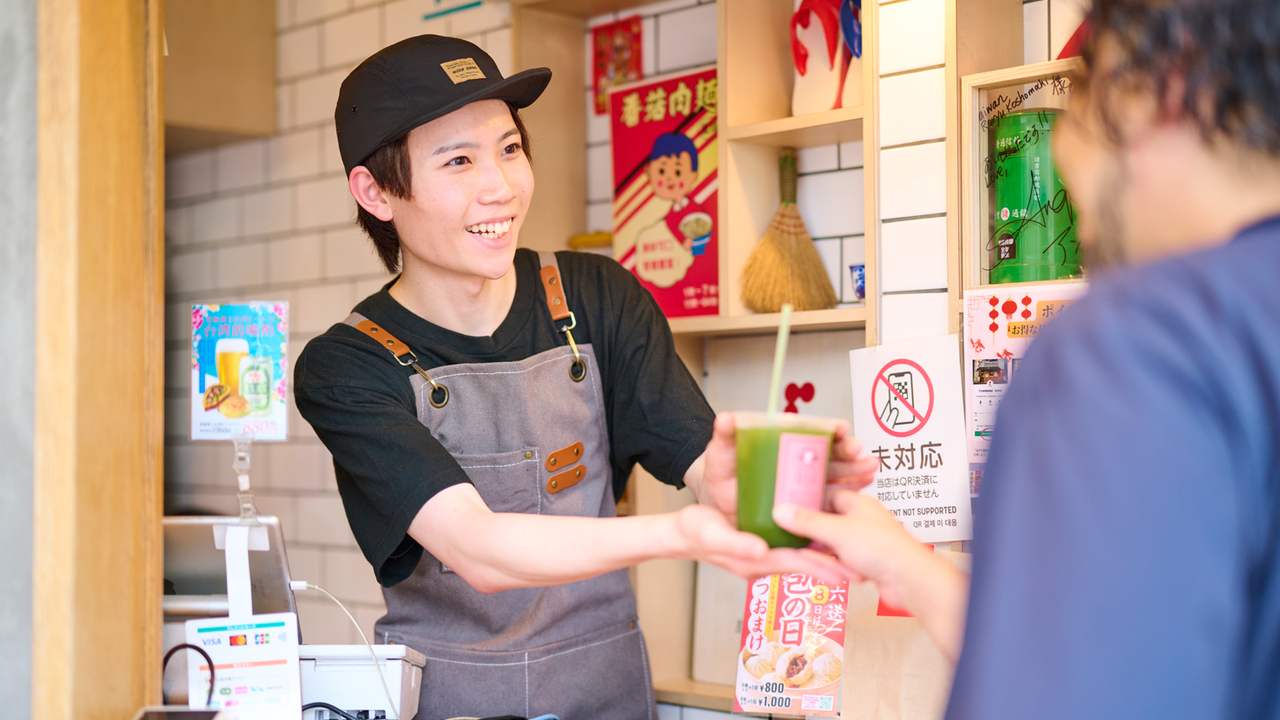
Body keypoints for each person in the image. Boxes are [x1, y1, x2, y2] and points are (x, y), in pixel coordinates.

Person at [293, 35, 877, 720]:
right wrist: (681, 535)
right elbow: (478, 549)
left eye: (510, 148)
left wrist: (752, 487)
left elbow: (698, 458)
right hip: (455, 703)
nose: (501, 187)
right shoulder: (346, 367)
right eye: (459, 160)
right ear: (376, 192)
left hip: (608, 694)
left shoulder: (597, 297)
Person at [773, 1, 1280, 718]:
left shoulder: (1133, 344)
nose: (1064, 159)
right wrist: (909, 567)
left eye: (1077, 96)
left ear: (1144, 87)